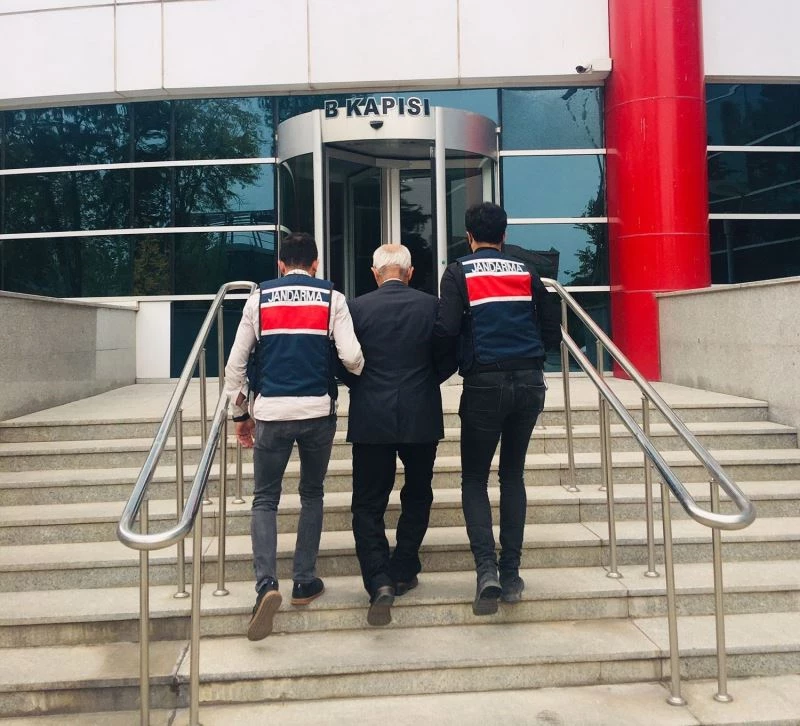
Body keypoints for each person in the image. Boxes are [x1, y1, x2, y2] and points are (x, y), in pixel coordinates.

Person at [224, 232, 364, 641]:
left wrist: (240, 414)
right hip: (317, 412)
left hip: (271, 412)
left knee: (265, 498)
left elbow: (235, 365)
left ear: (281, 265)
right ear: (316, 265)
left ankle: (266, 584)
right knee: (312, 493)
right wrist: (355, 372)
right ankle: (304, 581)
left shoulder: (259, 299)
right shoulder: (331, 298)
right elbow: (352, 358)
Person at [433, 202, 561, 616]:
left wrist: (437, 368)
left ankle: (486, 571)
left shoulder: (458, 272)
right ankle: (511, 574)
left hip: (484, 384)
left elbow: (446, 329)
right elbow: (551, 328)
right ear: (504, 236)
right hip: (529, 382)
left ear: (469, 236)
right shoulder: (526, 271)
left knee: (474, 478)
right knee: (512, 475)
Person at [338, 244, 444, 626]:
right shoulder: (432, 306)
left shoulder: (355, 308)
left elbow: (340, 358)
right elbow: (449, 352)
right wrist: (428, 381)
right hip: (421, 413)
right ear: (410, 273)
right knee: (418, 494)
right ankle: (403, 568)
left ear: (374, 273)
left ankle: (378, 579)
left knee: (368, 503)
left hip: (371, 416)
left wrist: (361, 386)